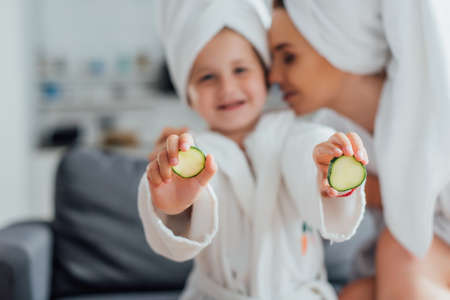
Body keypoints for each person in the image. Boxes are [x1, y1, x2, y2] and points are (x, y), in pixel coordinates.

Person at [138, 1, 369, 299]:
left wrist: (326, 163)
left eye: (240, 69)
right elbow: (177, 224)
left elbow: (305, 153)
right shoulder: (188, 152)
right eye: (207, 77)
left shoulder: (293, 136)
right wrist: (174, 208)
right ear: (188, 94)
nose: (227, 88)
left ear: (264, 75)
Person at [268, 0, 450, 299]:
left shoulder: (436, 111)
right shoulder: (328, 136)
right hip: (422, 258)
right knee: (355, 294)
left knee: (399, 251)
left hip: (420, 256)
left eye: (288, 57)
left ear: (340, 47)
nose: (273, 77)